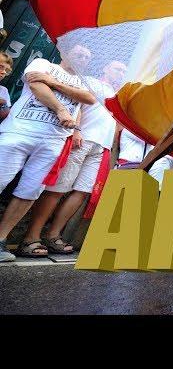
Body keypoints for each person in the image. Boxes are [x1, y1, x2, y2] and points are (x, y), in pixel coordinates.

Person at [0, 46, 96, 261]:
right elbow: (35, 84)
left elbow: (89, 98)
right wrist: (61, 109)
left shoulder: (84, 80)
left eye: (88, 57)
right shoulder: (44, 64)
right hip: (19, 131)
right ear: (64, 53)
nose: (84, 59)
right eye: (80, 54)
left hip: (53, 141)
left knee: (30, 190)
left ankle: (0, 240)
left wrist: (53, 82)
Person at [21, 64, 118, 255]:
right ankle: (31, 237)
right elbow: (77, 104)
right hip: (83, 138)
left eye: (124, 70)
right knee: (57, 189)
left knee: (82, 191)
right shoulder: (89, 80)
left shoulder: (118, 92)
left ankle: (53, 235)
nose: (121, 73)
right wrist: (76, 130)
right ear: (106, 69)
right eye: (117, 69)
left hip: (102, 145)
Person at [0, 51, 13, 121]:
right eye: (0, 67)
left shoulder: (3, 90)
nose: (4, 72)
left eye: (7, 70)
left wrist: (3, 103)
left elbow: (6, 116)